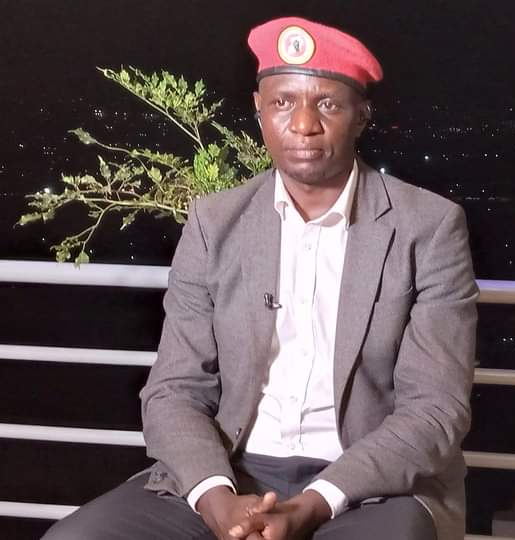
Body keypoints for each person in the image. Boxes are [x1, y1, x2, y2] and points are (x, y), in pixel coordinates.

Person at [42, 16, 478, 540]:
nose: (303, 124)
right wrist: (217, 501)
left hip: (369, 486)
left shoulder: (427, 227)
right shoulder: (215, 223)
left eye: (327, 104)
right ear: (259, 109)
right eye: (283, 102)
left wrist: (313, 505)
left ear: (362, 115)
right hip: (230, 468)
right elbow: (175, 389)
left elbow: (435, 409)